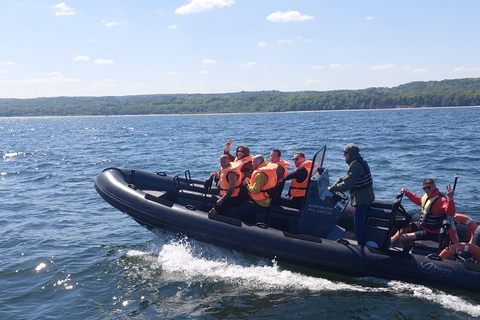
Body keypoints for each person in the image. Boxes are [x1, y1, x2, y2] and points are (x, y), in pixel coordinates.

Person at [328, 143, 375, 245]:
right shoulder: (357, 162)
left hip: (362, 199)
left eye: (345, 153)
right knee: (359, 221)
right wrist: (334, 186)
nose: (344, 155)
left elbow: (347, 184)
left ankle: (362, 246)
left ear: (351, 154)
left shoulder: (356, 166)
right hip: (365, 197)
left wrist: (333, 188)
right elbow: (346, 177)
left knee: (358, 224)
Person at [390, 179, 455, 251]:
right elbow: (418, 200)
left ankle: (407, 252)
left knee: (403, 238)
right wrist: (407, 193)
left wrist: (451, 199)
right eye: (424, 188)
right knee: (405, 228)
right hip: (423, 226)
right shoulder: (428, 196)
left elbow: (451, 213)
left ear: (434, 186)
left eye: (428, 187)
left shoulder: (441, 200)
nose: (426, 190)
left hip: (431, 232)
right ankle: (390, 241)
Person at [238, 155, 278, 223]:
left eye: (253, 162)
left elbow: (255, 190)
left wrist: (246, 184)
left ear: (258, 162)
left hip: (260, 203)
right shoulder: (269, 170)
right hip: (267, 199)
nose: (252, 164)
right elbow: (263, 184)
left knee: (237, 211)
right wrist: (250, 182)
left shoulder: (260, 174)